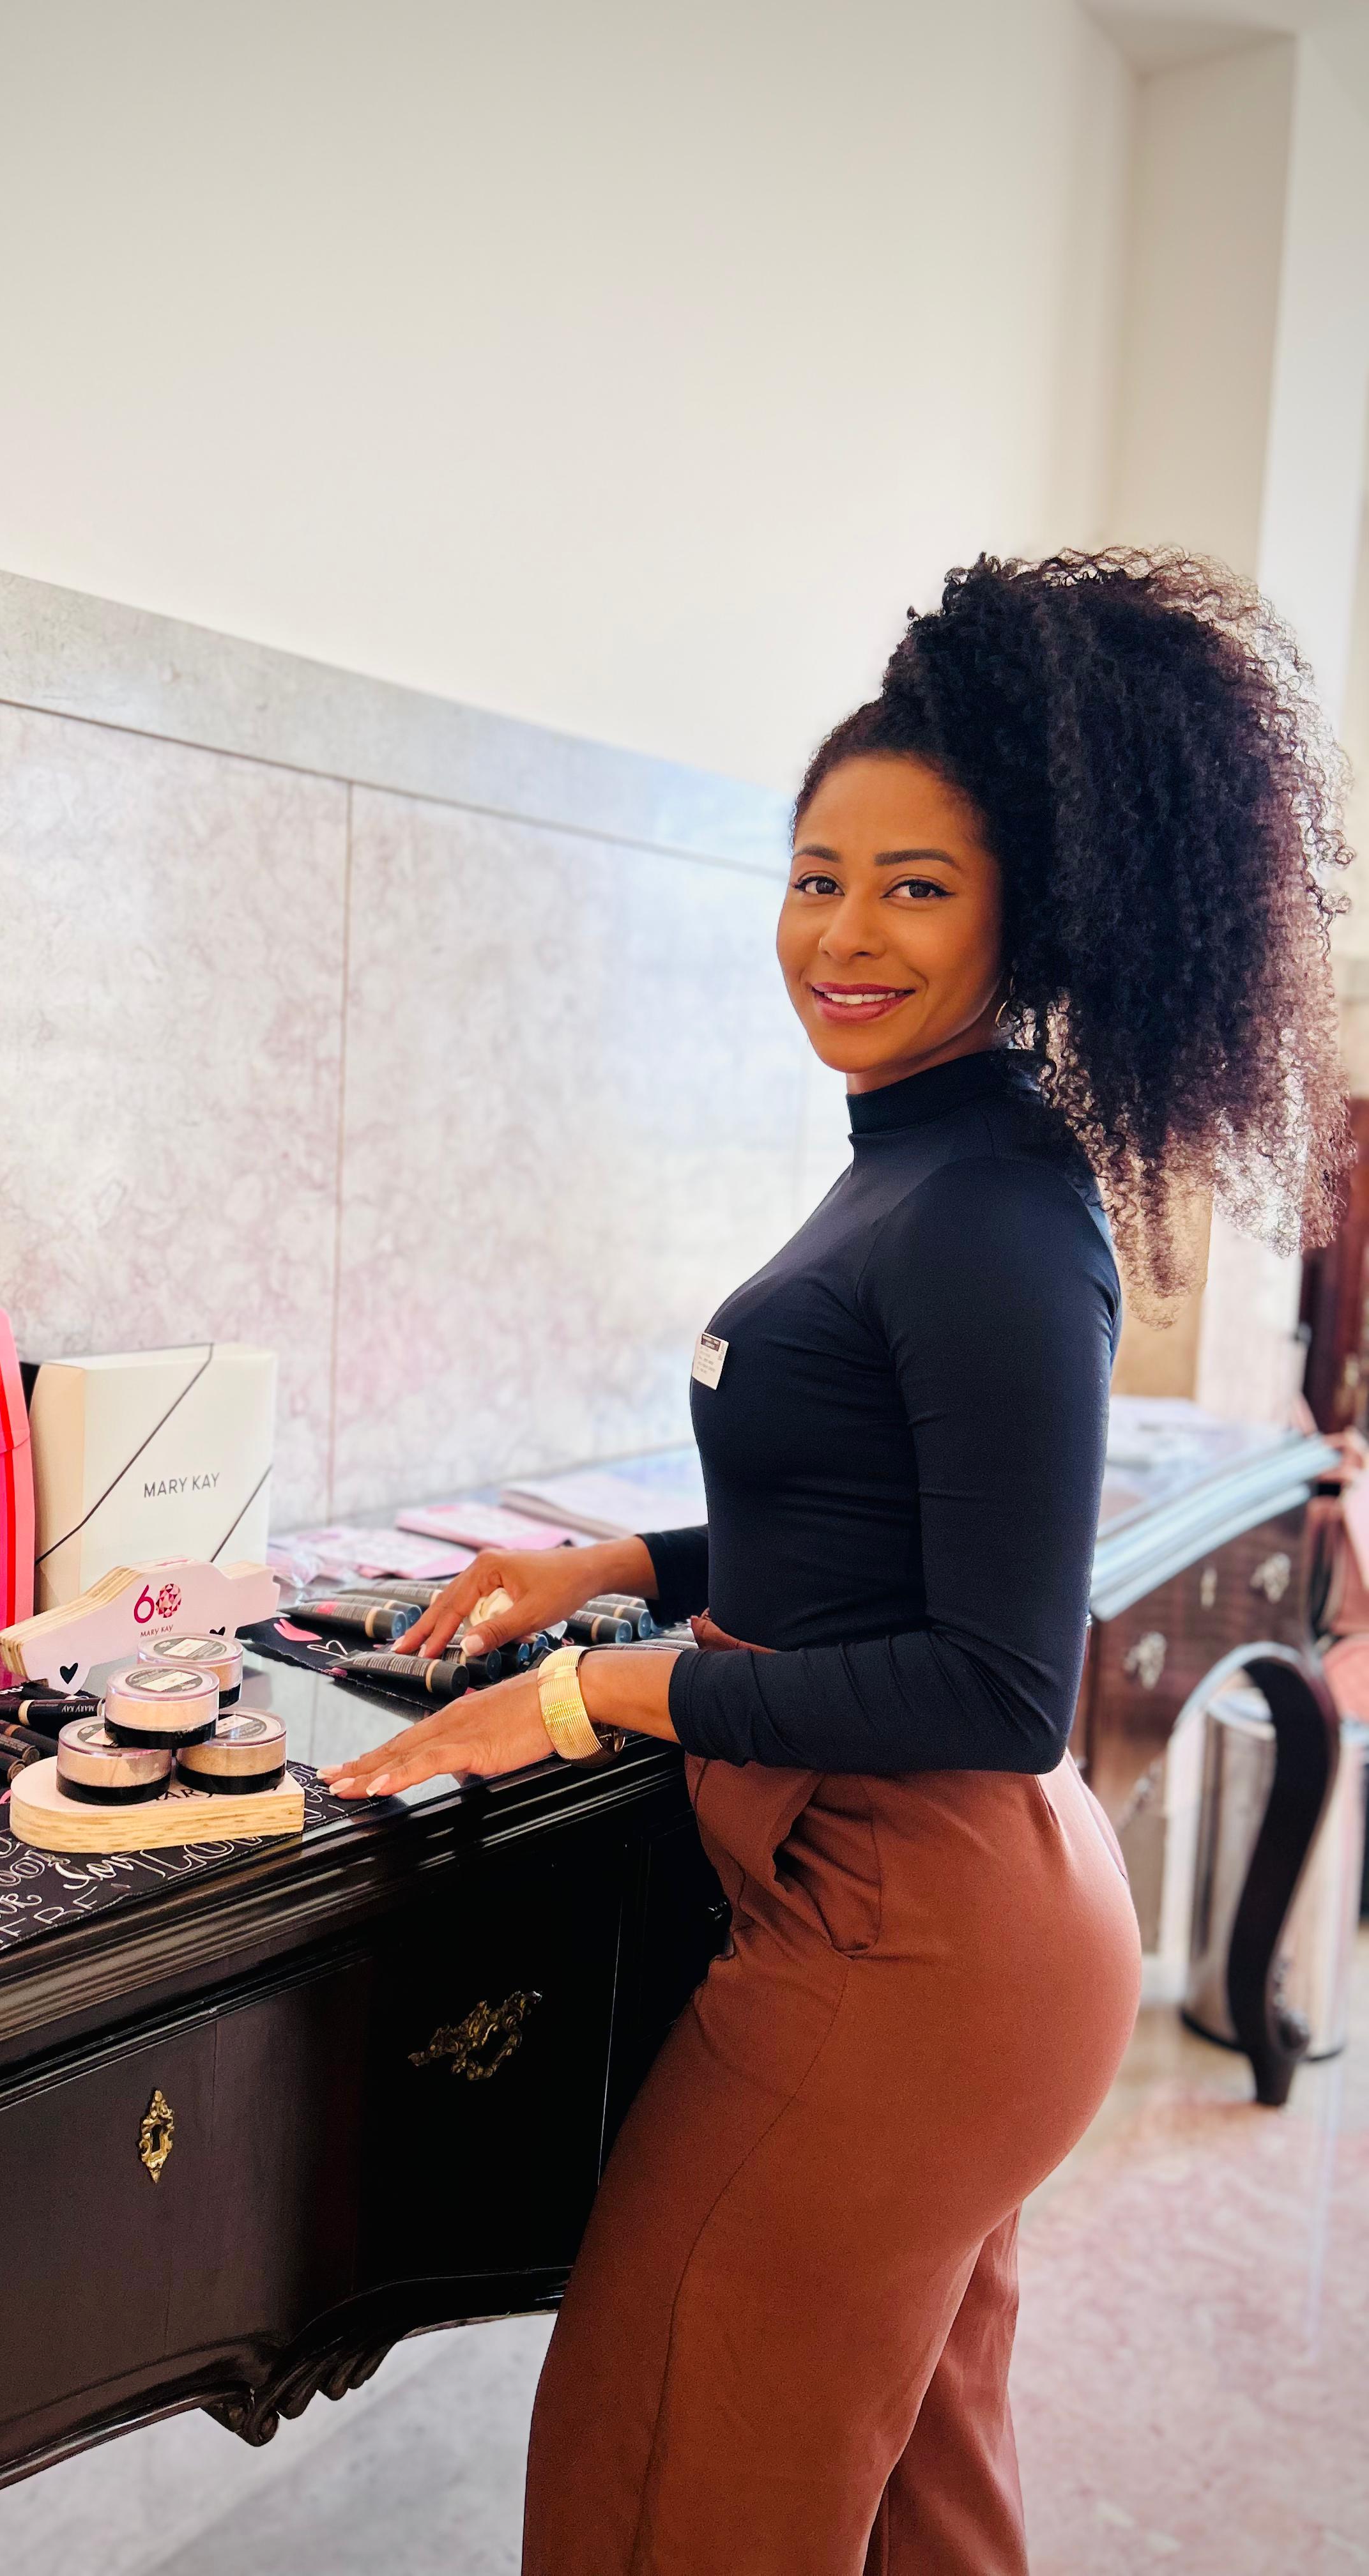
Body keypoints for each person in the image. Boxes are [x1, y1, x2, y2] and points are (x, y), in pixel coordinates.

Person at [321, 550, 1352, 2575]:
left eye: (915, 886)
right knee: (914, 2506)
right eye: (816, 875)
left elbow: (995, 1680)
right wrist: (614, 1562)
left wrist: (593, 1694)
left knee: (658, 2478)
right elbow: (859, 1510)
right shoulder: (926, 1160)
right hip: (951, 1933)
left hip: (918, 1934)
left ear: (1024, 917)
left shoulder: (988, 1212)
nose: (845, 932)